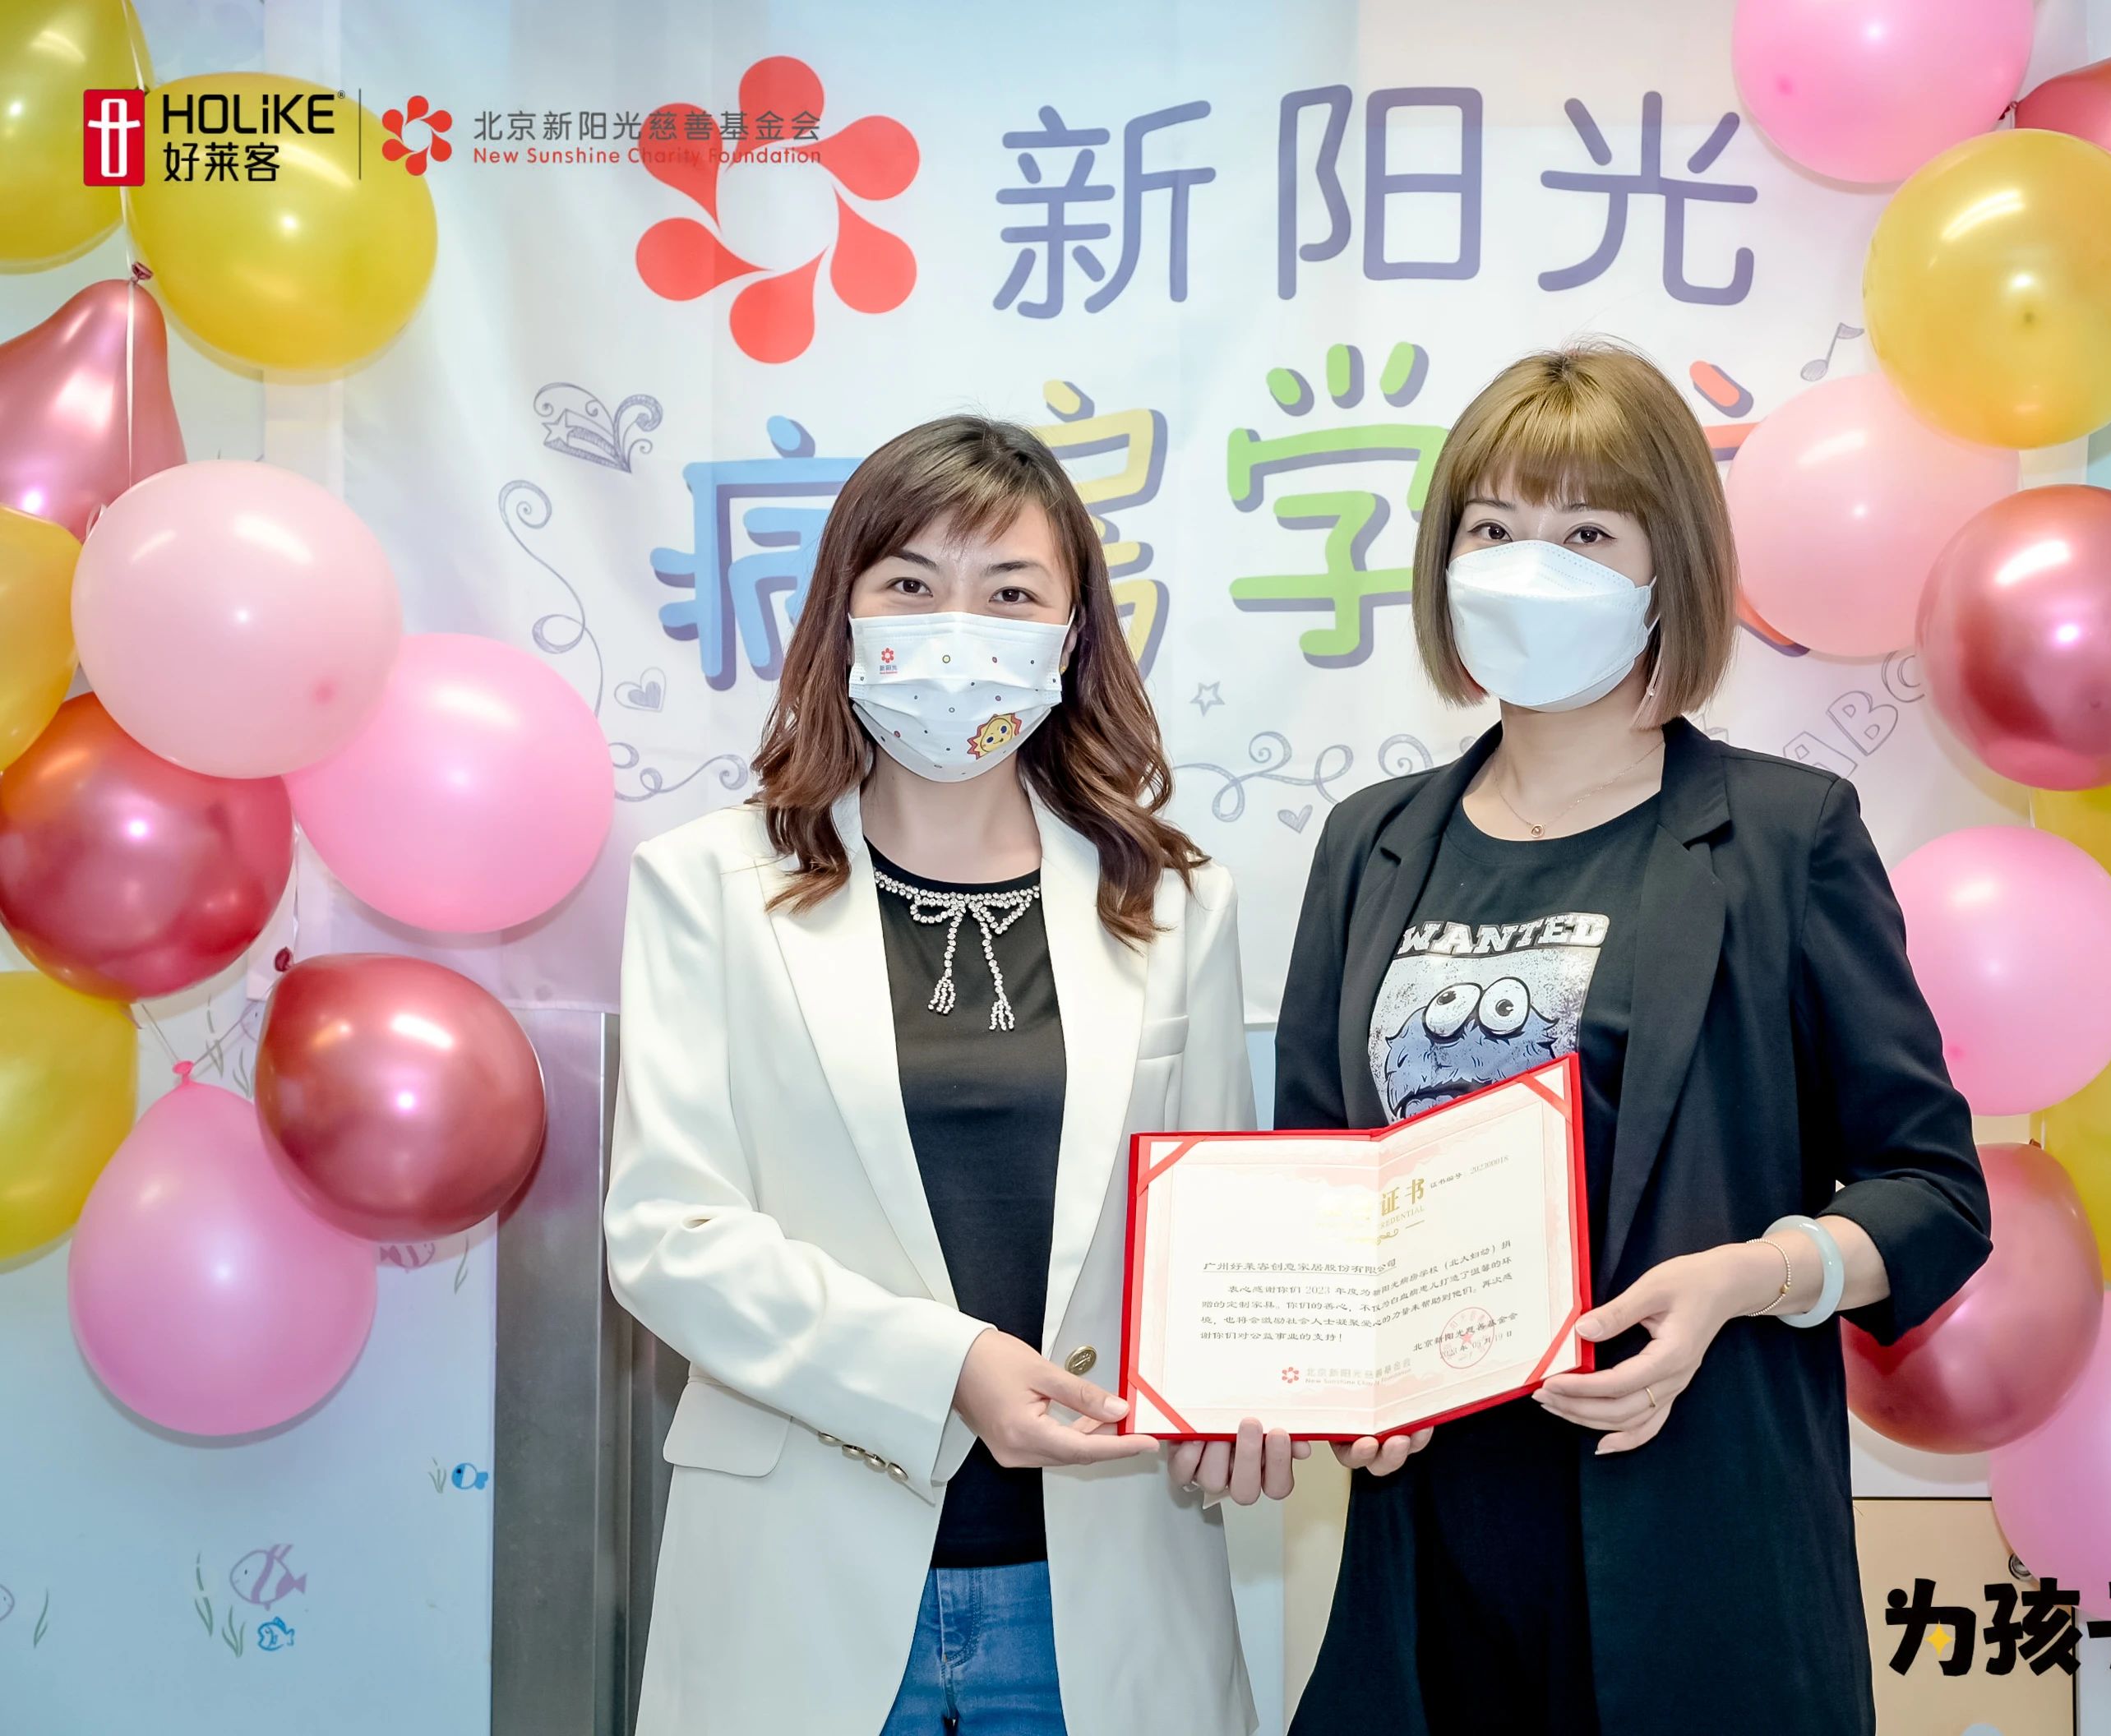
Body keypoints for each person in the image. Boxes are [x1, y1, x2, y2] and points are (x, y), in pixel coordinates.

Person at [1277, 344, 1993, 1735]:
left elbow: (1934, 1195)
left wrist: (1746, 1278)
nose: (1528, 570)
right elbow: (1317, 1185)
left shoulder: (1784, 836)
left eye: (1588, 534)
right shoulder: (1371, 846)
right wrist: (1329, 1381)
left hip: (1699, 1540)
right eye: (1493, 530)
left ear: (1669, 569)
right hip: (1431, 1556)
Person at [605, 415, 1295, 1736]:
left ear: (1072, 637)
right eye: (912, 584)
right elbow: (667, 1234)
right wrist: (950, 1367)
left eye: (1011, 594)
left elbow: (1213, 1240)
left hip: (1103, 1591)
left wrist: (1247, 1391)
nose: (958, 630)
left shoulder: (1173, 900)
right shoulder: (705, 886)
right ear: (843, 617)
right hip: (797, 1582)